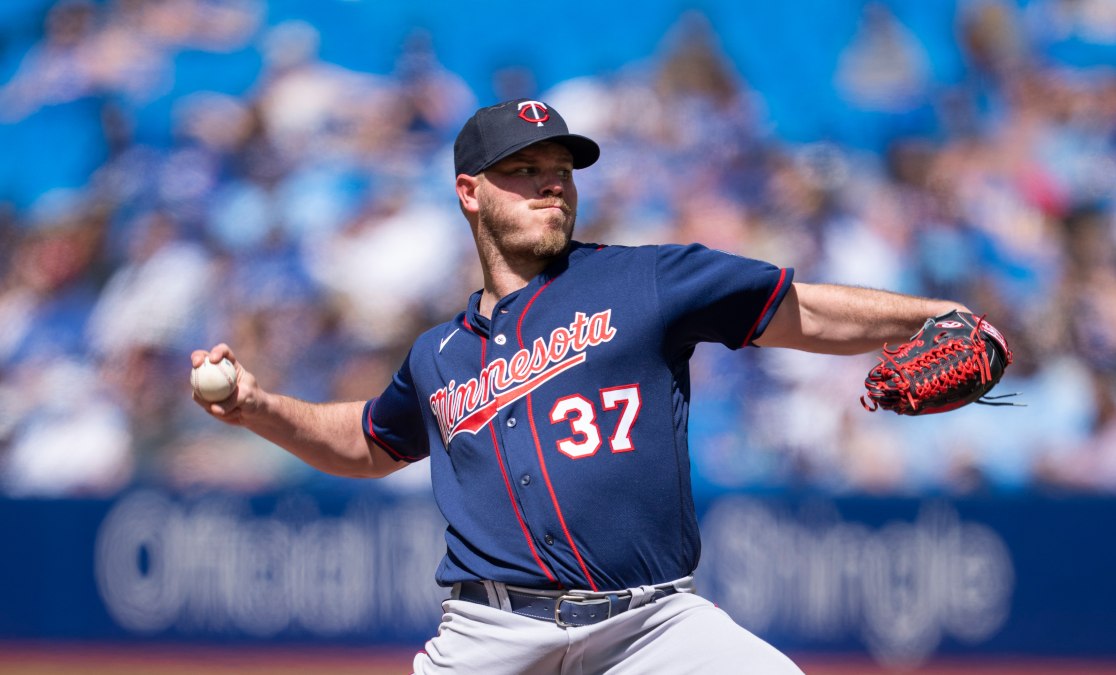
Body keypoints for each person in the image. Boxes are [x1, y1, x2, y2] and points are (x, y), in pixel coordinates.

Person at [192, 98, 974, 674]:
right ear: (470, 192)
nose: (550, 187)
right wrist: (256, 406)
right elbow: (366, 441)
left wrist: (933, 315)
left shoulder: (645, 278)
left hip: (654, 628)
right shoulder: (437, 356)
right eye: (524, 171)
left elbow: (800, 311)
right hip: (491, 637)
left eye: (560, 172)